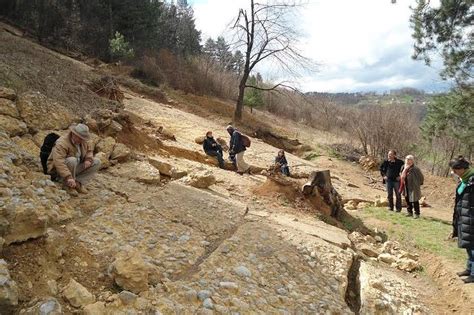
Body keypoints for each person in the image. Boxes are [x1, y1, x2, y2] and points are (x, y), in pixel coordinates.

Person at [47, 123, 101, 195]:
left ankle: (77, 183)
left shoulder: (83, 141)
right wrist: (68, 177)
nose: (82, 140)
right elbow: (59, 162)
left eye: (83, 138)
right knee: (72, 160)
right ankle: (67, 184)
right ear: (74, 134)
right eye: (80, 138)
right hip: (58, 171)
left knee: (97, 162)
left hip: (74, 168)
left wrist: (88, 159)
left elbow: (89, 150)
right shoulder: (62, 143)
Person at [449, 156, 474, 284]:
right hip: (464, 216)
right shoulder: (464, 180)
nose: (453, 172)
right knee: (468, 245)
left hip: (471, 217)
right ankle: (469, 269)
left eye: (455, 169)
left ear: (462, 169)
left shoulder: (472, 180)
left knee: (473, 247)